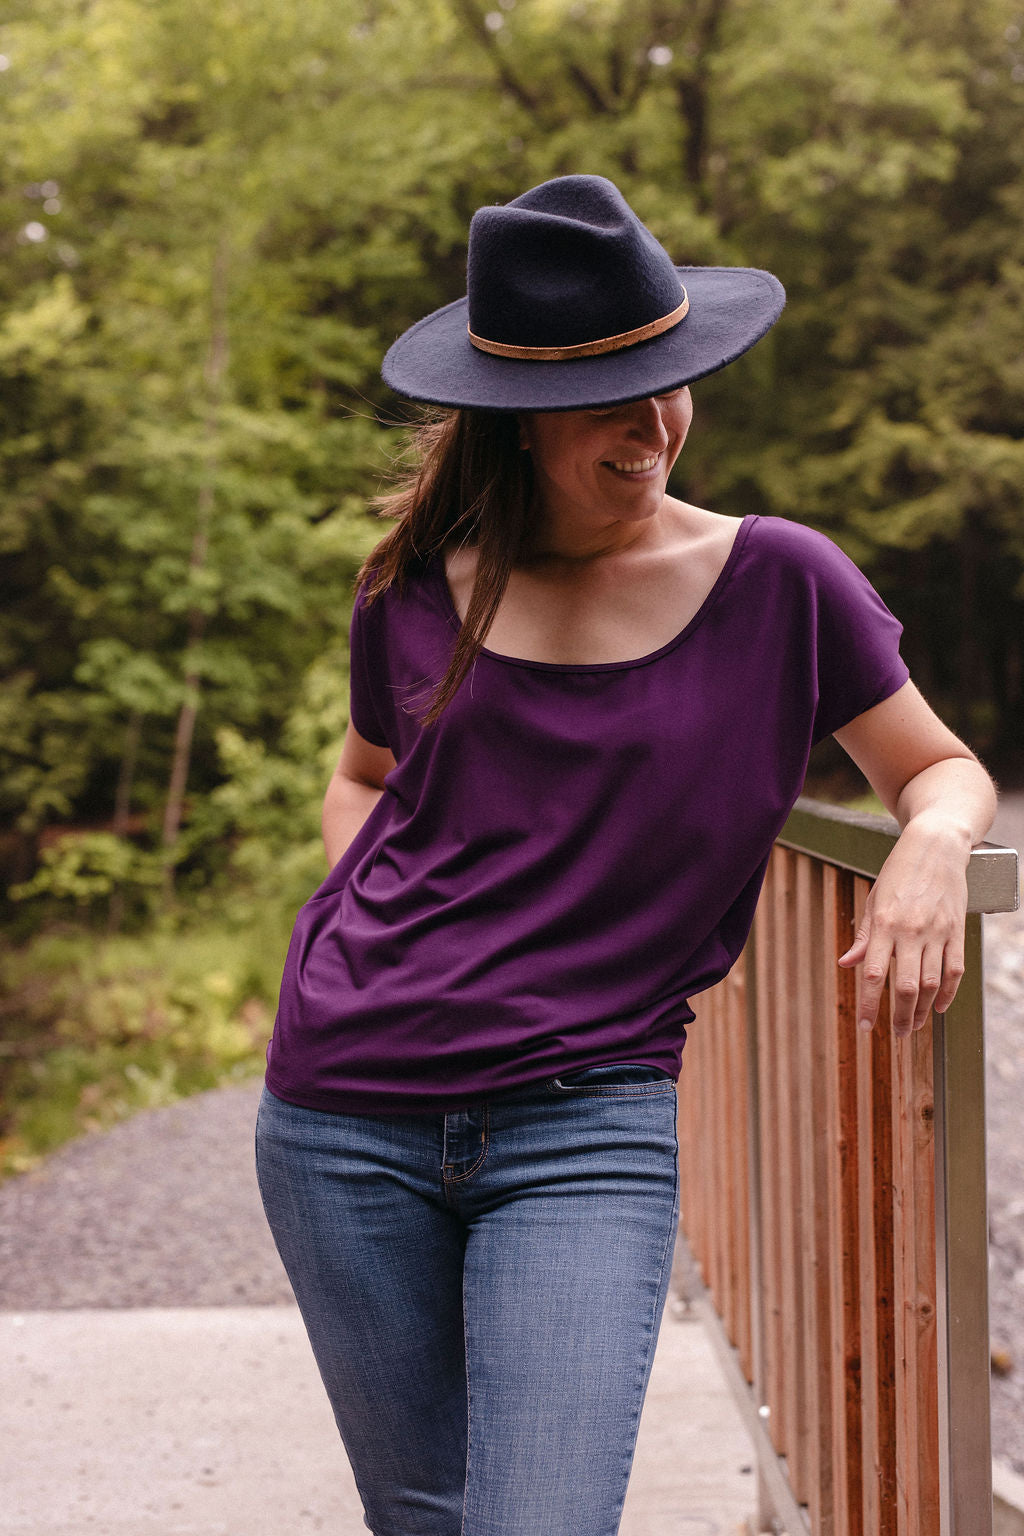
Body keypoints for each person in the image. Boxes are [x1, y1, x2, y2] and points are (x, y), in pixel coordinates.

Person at [256, 175, 996, 1536]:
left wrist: (935, 849)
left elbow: (940, 767)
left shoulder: (784, 581)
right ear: (516, 420)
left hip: (582, 1119)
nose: (656, 425)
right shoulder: (412, 588)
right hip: (341, 1117)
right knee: (425, 1518)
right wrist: (356, 912)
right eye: (610, 394)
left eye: (675, 377)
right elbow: (363, 778)